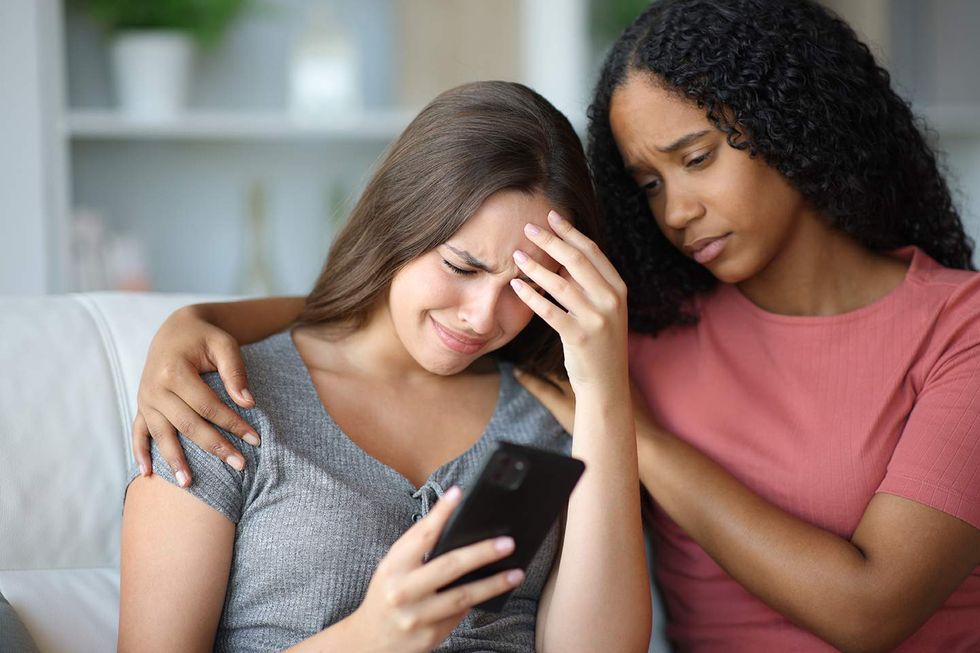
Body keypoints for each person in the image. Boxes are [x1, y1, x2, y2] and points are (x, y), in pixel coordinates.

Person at [132, 0, 980, 650]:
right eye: (648, 183)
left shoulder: (573, 383)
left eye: (696, 159)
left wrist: (610, 404)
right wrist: (197, 320)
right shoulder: (219, 396)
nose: (678, 210)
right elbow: (369, 317)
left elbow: (867, 609)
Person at [119, 80, 652, 653]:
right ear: (400, 222)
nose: (481, 317)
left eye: (525, 288)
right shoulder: (224, 402)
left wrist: (601, 393)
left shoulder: (549, 417)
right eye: (461, 267)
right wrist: (371, 637)